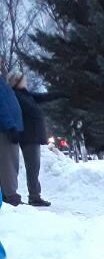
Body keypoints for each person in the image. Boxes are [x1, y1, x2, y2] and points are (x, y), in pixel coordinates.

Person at [7, 72, 61, 207]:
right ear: (18, 81)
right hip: (28, 135)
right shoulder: (16, 96)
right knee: (32, 167)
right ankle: (33, 196)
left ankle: (34, 195)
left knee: (34, 167)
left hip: (32, 135)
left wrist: (59, 94)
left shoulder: (25, 94)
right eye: (23, 79)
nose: (26, 81)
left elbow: (43, 97)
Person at [0, 75, 22, 206]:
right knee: (9, 163)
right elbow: (1, 105)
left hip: (8, 128)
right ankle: (10, 195)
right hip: (5, 130)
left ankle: (6, 194)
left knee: (8, 162)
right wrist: (11, 126)